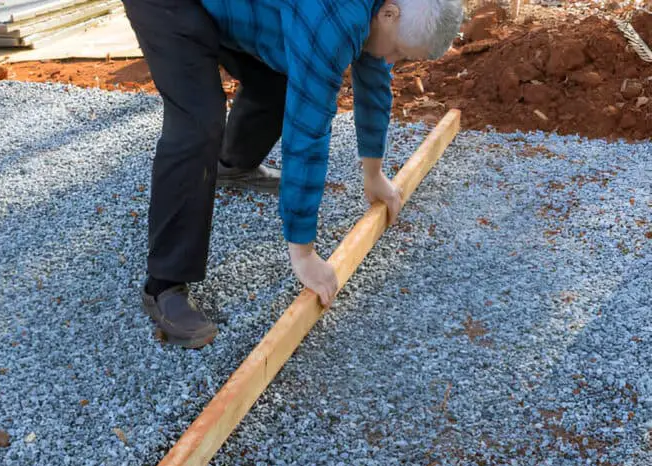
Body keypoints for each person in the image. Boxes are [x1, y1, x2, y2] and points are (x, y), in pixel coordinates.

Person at [120, 0, 463, 348]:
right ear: (389, 13)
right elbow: (308, 132)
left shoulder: (384, 9)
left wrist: (373, 174)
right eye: (399, 52)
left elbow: (374, 76)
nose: (393, 62)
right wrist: (303, 254)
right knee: (198, 124)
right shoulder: (335, 19)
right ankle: (163, 285)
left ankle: (234, 166)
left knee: (282, 73)